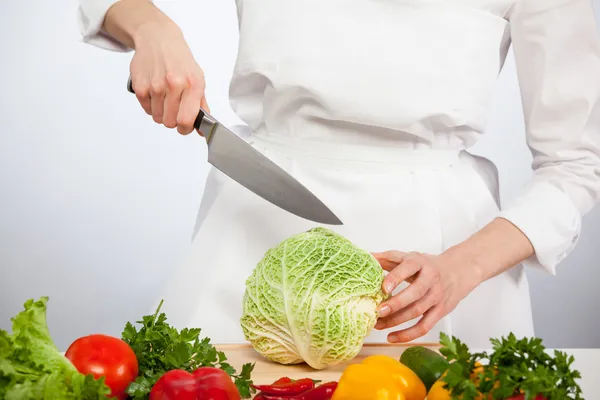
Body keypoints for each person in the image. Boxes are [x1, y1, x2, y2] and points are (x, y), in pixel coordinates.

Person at [78, 0, 600, 348]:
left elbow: (574, 166)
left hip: (438, 268)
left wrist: (460, 267)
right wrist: (150, 26)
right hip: (252, 238)